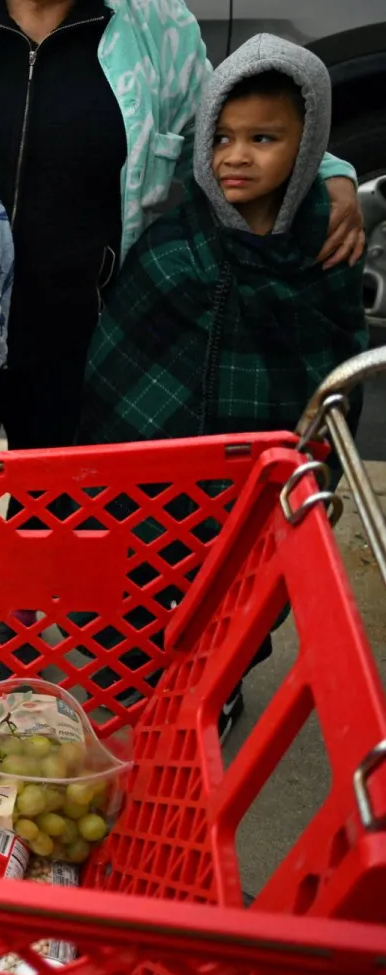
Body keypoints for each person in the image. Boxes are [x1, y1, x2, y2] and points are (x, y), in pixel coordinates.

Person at [0, 0, 366, 455]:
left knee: (64, 541)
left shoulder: (160, 28)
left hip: (85, 347)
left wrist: (327, 170)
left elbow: (217, 141)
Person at [76, 35, 369, 740]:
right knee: (135, 588)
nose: (237, 156)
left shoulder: (326, 255)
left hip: (261, 478)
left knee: (247, 593)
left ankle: (217, 690)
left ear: (308, 147)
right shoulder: (173, 250)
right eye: (224, 137)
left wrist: (310, 461)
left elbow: (334, 379)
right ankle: (126, 695)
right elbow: (115, 377)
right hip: (155, 486)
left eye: (264, 138)